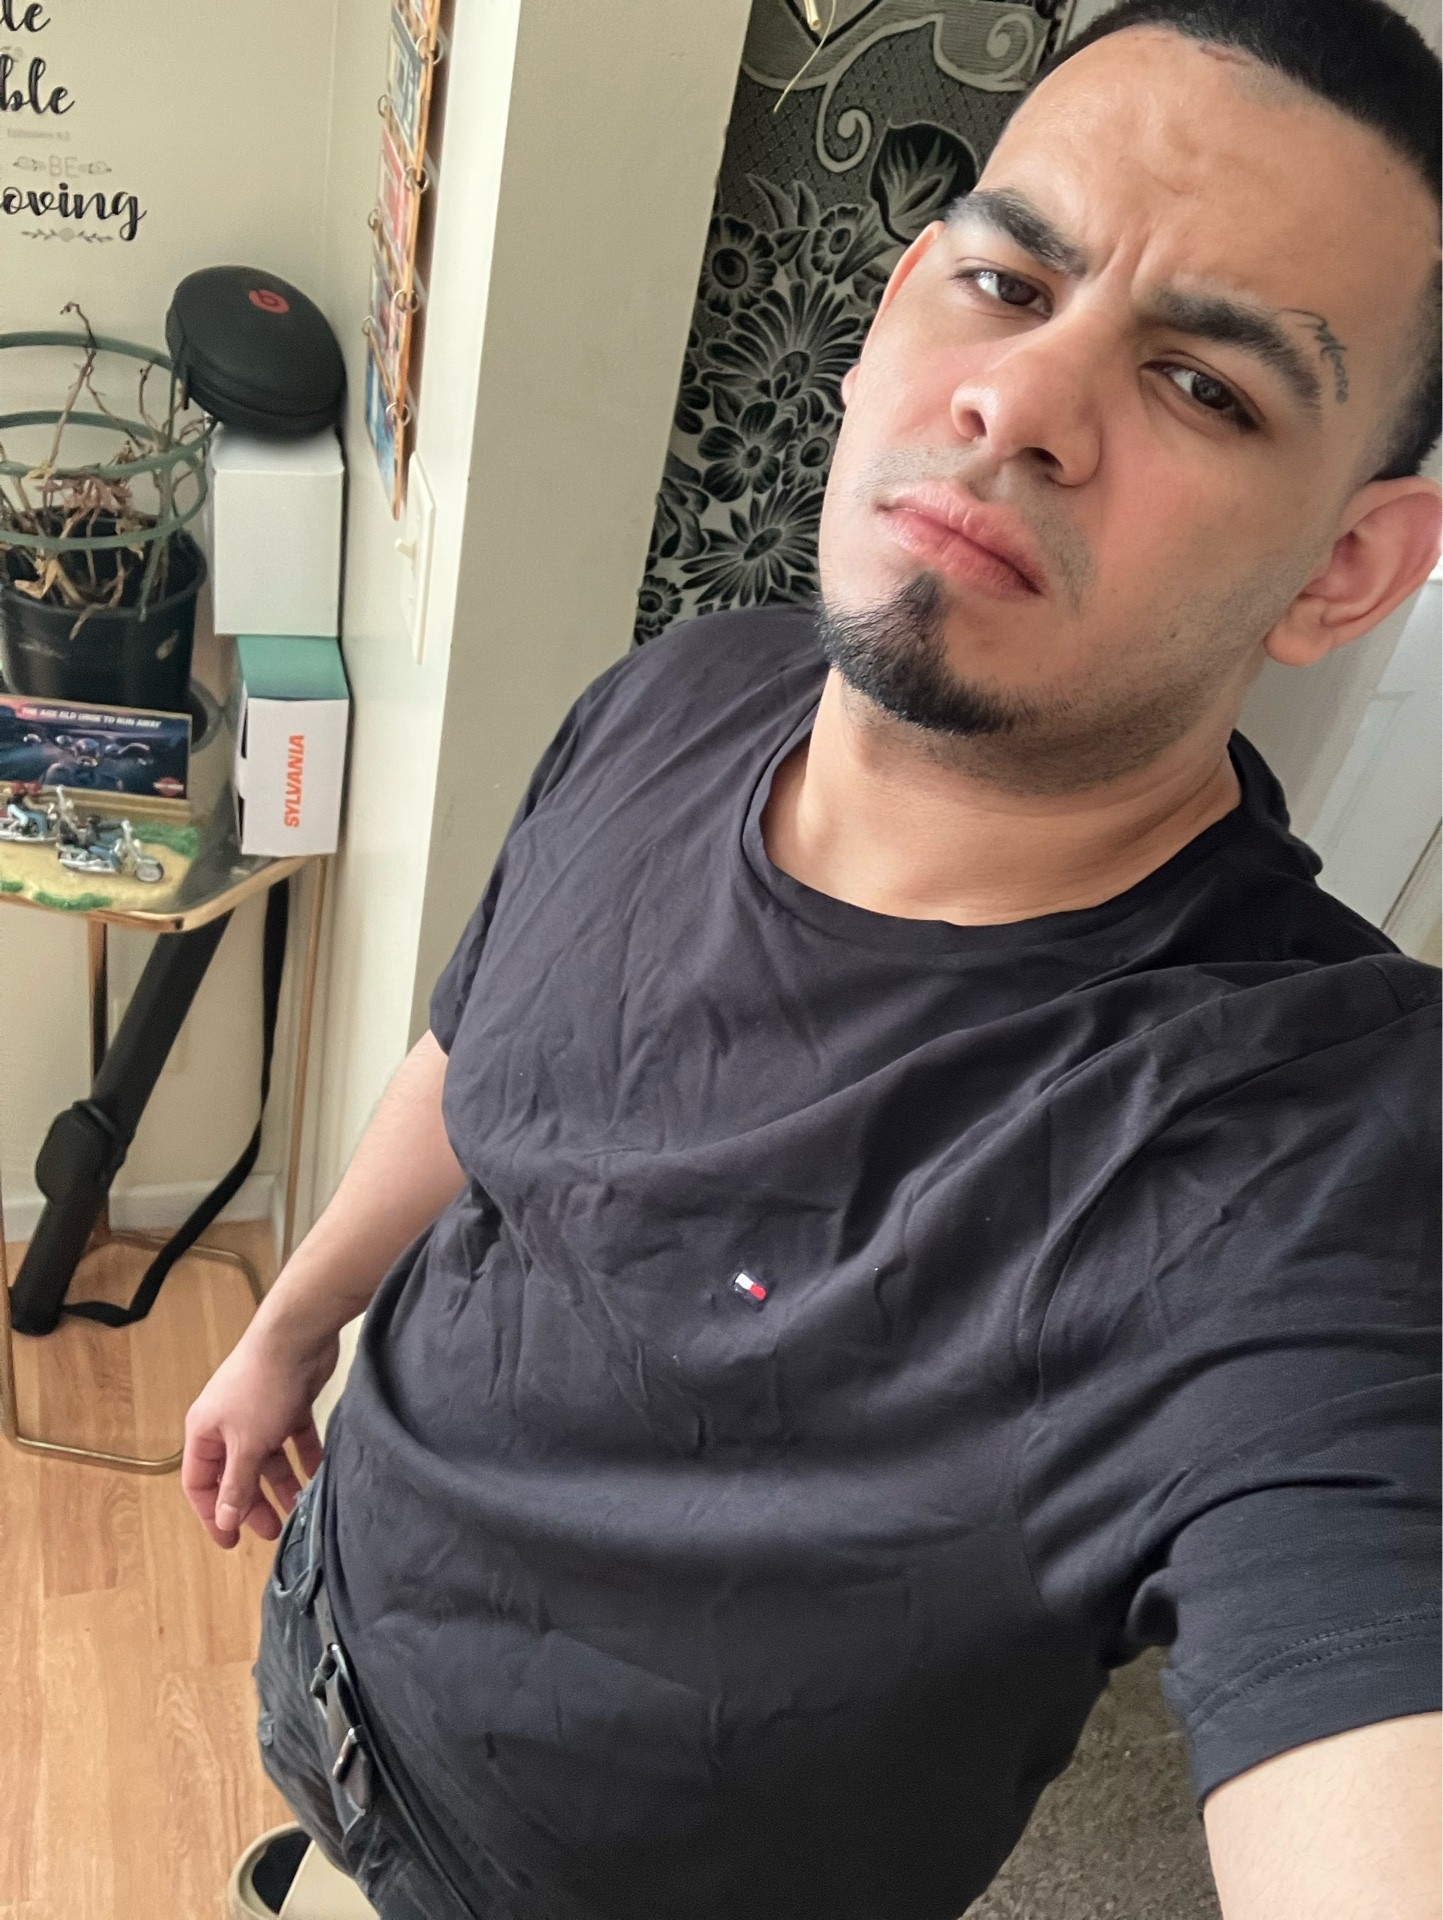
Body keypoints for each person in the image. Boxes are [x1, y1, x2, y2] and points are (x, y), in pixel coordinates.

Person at [186, 2, 1443, 1916]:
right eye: (1008, 282)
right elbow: (484, 1042)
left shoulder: (1297, 1142)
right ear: (890, 316)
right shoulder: (686, 691)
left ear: (1347, 569)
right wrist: (298, 1321)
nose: (1021, 401)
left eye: (1207, 385)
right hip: (333, 1640)